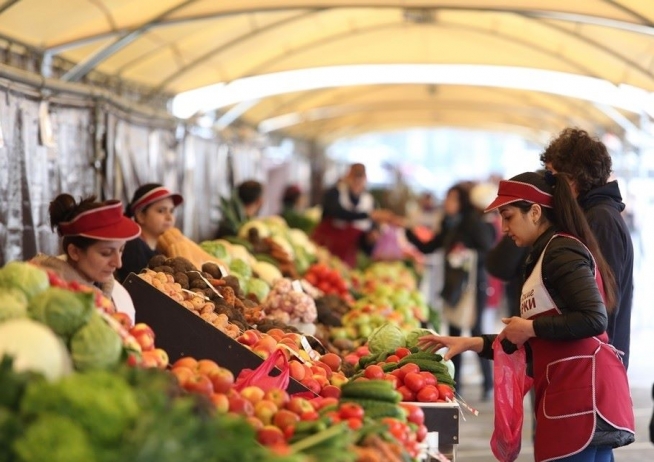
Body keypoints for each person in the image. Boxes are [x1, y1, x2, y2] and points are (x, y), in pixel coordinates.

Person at [418, 171, 635, 462]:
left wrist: (531, 328)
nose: (504, 228)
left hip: (582, 395)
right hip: (573, 392)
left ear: (534, 212)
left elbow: (594, 319)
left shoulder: (562, 251)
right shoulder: (547, 250)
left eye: (507, 217)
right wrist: (470, 343)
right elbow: (535, 336)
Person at [540, 128, 634, 369]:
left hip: (598, 365)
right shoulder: (593, 216)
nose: (549, 186)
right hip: (592, 359)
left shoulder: (599, 220)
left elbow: (603, 301)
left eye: (552, 176)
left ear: (572, 178)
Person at [405, 182, 495, 399]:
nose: (447, 202)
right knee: (454, 333)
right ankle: (454, 383)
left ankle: (488, 384)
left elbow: (488, 252)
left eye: (452, 199)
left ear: (462, 201)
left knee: (477, 332)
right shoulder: (449, 223)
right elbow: (431, 246)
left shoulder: (473, 222)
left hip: (473, 285)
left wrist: (465, 254)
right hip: (454, 285)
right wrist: (408, 231)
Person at [32, 194, 142, 323]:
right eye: (106, 253)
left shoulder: (119, 295)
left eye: (121, 250)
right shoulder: (46, 295)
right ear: (74, 252)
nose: (118, 263)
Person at [312, 163, 390, 267]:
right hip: (323, 249)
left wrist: (372, 237)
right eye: (354, 176)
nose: (357, 181)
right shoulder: (334, 193)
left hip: (348, 256)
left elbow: (369, 236)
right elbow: (337, 212)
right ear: (347, 176)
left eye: (360, 177)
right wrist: (367, 215)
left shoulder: (370, 202)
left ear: (365, 179)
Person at [115, 183, 183, 283]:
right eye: (161, 211)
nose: (169, 217)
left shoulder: (158, 251)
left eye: (172, 211)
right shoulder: (133, 247)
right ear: (141, 216)